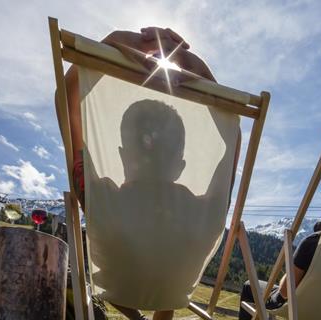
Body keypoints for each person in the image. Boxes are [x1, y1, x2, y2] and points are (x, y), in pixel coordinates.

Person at [63, 27, 240, 320]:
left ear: (122, 156)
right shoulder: (202, 212)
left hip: (114, 286)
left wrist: (118, 41)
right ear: (180, 166)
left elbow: (68, 104)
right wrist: (189, 61)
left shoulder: (102, 198)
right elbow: (233, 140)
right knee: (171, 258)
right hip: (174, 291)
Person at [238, 221, 321, 320]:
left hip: (295, 305)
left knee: (249, 285)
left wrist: (285, 276)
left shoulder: (312, 242)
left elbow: (284, 292)